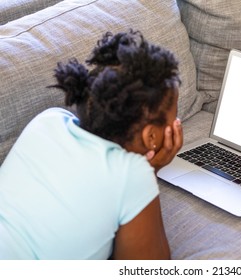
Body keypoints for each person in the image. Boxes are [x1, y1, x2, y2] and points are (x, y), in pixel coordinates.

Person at [0, 29, 183, 259]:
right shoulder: (132, 176)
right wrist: (149, 171)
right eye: (173, 117)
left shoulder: (48, 120)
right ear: (151, 137)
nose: (177, 122)